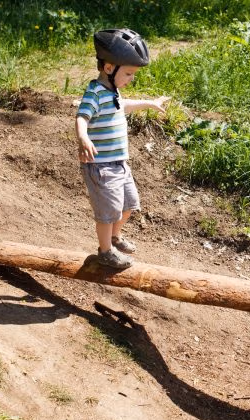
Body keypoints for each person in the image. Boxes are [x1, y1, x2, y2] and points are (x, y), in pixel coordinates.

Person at [75, 28, 169, 269]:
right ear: (109, 68)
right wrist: (83, 139)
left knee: (129, 205)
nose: (131, 78)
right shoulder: (94, 93)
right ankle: (105, 251)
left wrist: (149, 103)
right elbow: (82, 118)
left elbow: (122, 106)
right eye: (128, 73)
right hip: (101, 166)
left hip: (119, 164)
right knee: (109, 212)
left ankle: (115, 239)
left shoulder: (113, 91)